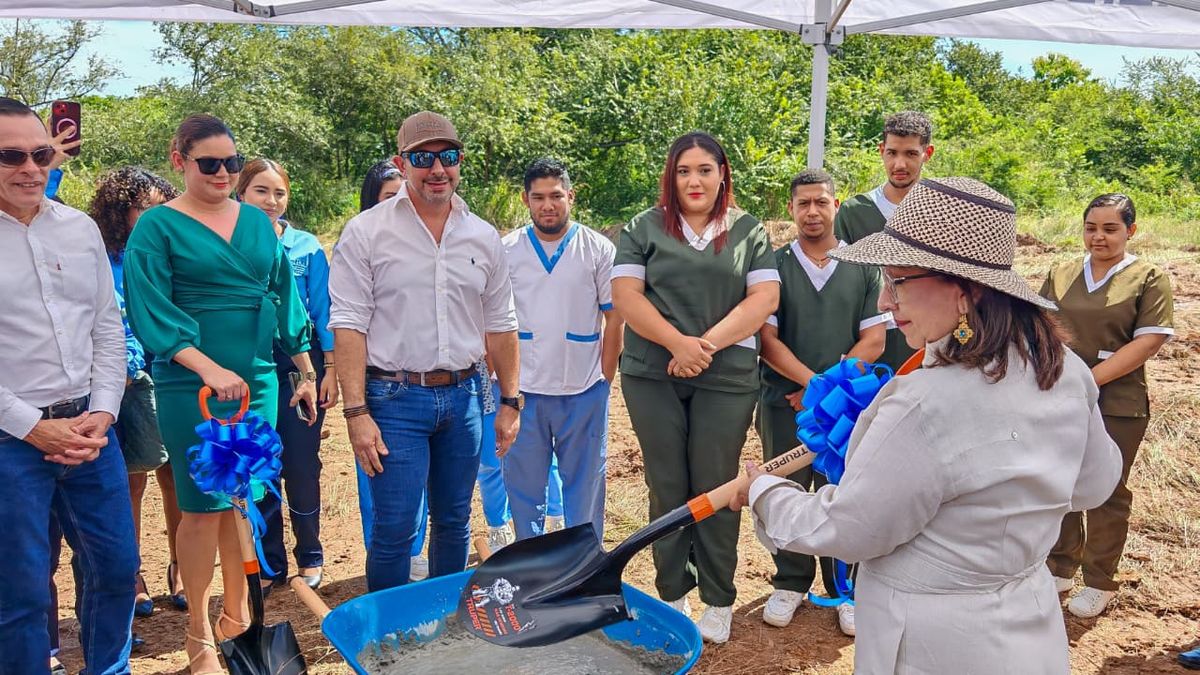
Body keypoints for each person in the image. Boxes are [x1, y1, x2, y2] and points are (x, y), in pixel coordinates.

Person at [732, 177, 1123, 674]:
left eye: (898, 281)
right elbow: (1094, 483)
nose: (885, 302)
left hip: (932, 641)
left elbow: (848, 528)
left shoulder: (923, 403)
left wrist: (765, 491)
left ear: (966, 291)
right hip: (1028, 623)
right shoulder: (1064, 368)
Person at [123, 114, 317, 674]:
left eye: (232, 163)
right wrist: (207, 368)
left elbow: (284, 297)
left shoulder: (257, 224)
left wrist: (303, 369)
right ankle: (199, 636)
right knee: (203, 507)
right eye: (210, 163)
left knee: (243, 500)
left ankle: (239, 622)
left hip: (255, 380)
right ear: (178, 160)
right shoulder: (156, 228)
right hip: (193, 386)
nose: (224, 173)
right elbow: (150, 310)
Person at [330, 111, 520, 591]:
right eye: (423, 158)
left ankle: (443, 632)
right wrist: (356, 413)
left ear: (460, 161)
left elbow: (501, 324)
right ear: (403, 161)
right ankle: (389, 643)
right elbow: (348, 325)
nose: (438, 169)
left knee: (455, 522)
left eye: (448, 156)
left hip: (465, 398)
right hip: (394, 400)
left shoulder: (482, 236)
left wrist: (511, 401)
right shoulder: (367, 232)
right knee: (395, 529)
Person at [611, 131, 779, 644]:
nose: (694, 180)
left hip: (725, 376)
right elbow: (626, 296)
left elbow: (764, 298)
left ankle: (718, 598)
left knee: (716, 484)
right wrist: (674, 345)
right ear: (671, 176)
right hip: (652, 374)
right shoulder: (643, 227)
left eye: (705, 169)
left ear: (722, 173)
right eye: (684, 171)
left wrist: (701, 346)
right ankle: (671, 593)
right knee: (666, 483)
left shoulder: (748, 231)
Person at [0, 96, 139, 674]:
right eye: (11, 156)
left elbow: (108, 327)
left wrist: (104, 411)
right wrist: (34, 428)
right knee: (22, 588)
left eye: (40, 153)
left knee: (115, 567)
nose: (31, 168)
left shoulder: (79, 228)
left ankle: (109, 669)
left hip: (89, 431)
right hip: (11, 442)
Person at [756, 169, 887, 636]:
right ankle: (789, 579)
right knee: (786, 484)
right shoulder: (773, 267)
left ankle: (843, 588)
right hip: (781, 402)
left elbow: (872, 340)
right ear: (790, 210)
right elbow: (767, 340)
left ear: (836, 205)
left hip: (847, 408)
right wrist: (815, 388)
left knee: (843, 490)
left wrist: (826, 394)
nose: (812, 211)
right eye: (803, 203)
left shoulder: (864, 266)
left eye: (821, 202)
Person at [1042, 193, 1174, 618]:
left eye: (1110, 228)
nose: (1099, 237)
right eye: (1091, 227)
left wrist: (1088, 382)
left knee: (1107, 488)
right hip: (1058, 394)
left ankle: (1099, 579)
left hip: (1116, 400)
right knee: (1058, 481)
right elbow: (1041, 327)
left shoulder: (1147, 277)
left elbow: (1148, 340)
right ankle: (1060, 564)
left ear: (1131, 231)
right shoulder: (1061, 273)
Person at [500, 158, 623, 540]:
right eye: (538, 197)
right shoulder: (506, 250)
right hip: (524, 393)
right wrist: (504, 389)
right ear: (526, 200)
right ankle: (531, 566)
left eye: (556, 196)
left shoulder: (598, 249)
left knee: (585, 489)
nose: (548, 205)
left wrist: (604, 380)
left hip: (582, 389)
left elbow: (614, 319)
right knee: (524, 490)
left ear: (571, 195)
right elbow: (494, 325)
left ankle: (583, 565)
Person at [236, 158, 338, 595]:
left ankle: (310, 555)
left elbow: (324, 311)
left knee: (300, 464)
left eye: (279, 193)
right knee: (260, 467)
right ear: (241, 193)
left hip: (301, 368)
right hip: (249, 368)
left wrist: (327, 369)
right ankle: (268, 561)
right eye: (261, 191)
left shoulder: (307, 247)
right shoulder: (228, 244)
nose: (271, 201)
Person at [834, 111, 935, 372]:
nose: (899, 164)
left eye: (911, 154)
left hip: (932, 339)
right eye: (892, 153)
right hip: (874, 342)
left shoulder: (941, 211)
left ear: (928, 153)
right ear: (881, 150)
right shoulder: (854, 212)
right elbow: (843, 287)